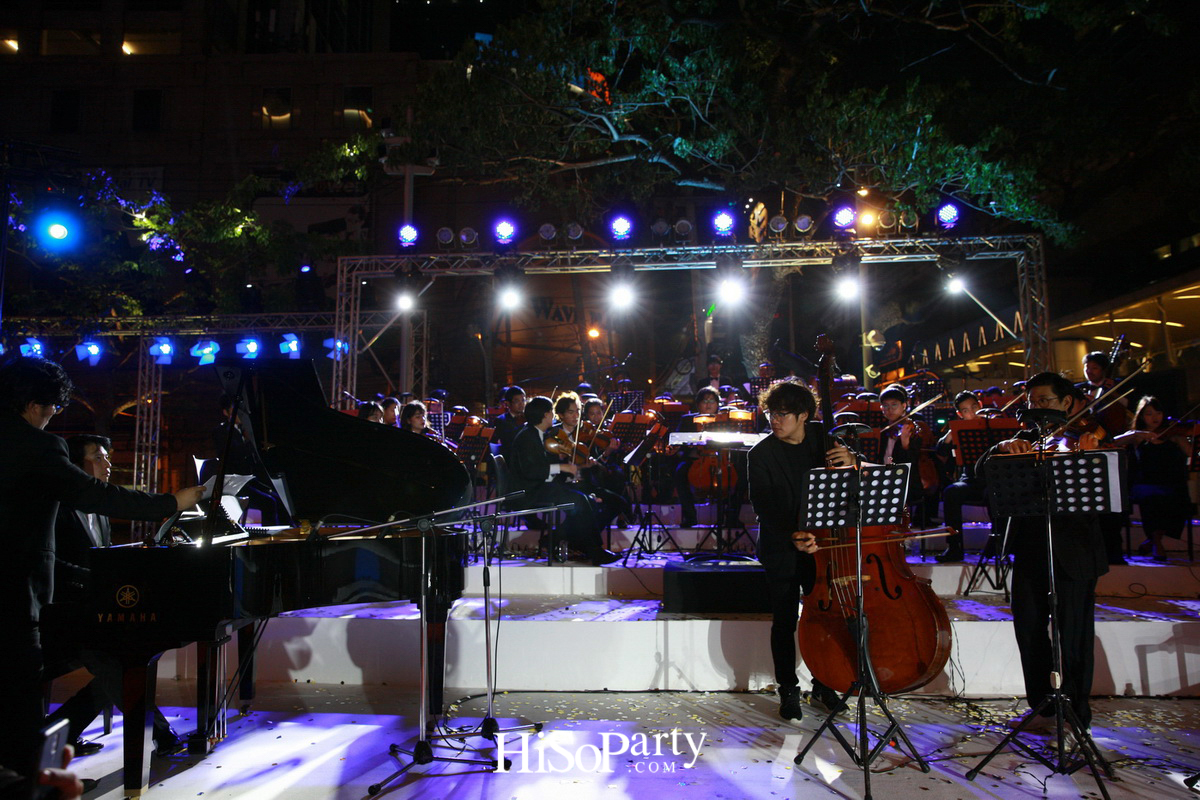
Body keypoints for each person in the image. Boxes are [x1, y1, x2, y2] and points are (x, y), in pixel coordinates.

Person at [0, 356, 204, 781]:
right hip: (14, 598)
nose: (52, 416)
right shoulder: (37, 447)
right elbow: (100, 496)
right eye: (54, 407)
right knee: (21, 696)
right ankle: (31, 782)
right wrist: (173, 503)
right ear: (37, 404)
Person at [978, 371, 1108, 733]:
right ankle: (1043, 702)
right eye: (1032, 403)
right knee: (1030, 628)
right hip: (1031, 548)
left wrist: (1092, 457)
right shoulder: (1021, 441)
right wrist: (1000, 449)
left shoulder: (1085, 437)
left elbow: (1112, 490)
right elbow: (978, 473)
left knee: (1074, 633)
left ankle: (1078, 708)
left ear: (1067, 403)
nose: (1037, 409)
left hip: (1076, 550)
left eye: (1045, 402)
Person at [44, 435, 183, 757]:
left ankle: (60, 727)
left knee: (134, 652)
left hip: (90, 607)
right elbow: (51, 561)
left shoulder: (100, 512)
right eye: (98, 457)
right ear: (76, 466)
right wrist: (93, 579)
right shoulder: (58, 507)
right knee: (114, 658)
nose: (108, 464)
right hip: (60, 611)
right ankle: (161, 734)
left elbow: (103, 560)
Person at [747, 380, 852, 720]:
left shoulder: (824, 438)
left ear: (803, 415)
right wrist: (792, 533)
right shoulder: (759, 454)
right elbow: (764, 506)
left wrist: (851, 460)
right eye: (770, 413)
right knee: (784, 620)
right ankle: (788, 689)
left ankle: (824, 684)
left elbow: (847, 486)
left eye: (782, 414)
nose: (774, 420)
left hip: (824, 544)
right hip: (781, 544)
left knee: (823, 618)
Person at [506, 395, 618, 565]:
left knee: (584, 500)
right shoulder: (527, 437)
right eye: (551, 412)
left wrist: (572, 466)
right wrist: (562, 467)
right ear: (544, 415)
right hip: (529, 492)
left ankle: (574, 544)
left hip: (539, 487)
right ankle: (593, 551)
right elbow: (531, 471)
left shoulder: (537, 434)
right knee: (579, 500)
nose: (553, 416)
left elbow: (542, 468)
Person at [1116, 396, 1191, 561]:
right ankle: (1157, 542)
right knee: (1153, 498)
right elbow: (1113, 442)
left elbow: (1192, 455)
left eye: (1158, 413)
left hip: (1170, 483)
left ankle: (1151, 539)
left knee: (1180, 497)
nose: (1155, 417)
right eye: (1149, 414)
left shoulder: (1173, 434)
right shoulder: (1137, 437)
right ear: (1141, 416)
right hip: (1144, 484)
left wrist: (1180, 437)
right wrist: (1137, 434)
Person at [934, 391, 987, 562]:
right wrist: (953, 431)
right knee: (951, 492)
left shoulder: (993, 424)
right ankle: (954, 547)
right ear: (960, 414)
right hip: (970, 481)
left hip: (994, 481)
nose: (971, 413)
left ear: (980, 405)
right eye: (965, 410)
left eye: (974, 407)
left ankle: (999, 544)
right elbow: (940, 450)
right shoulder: (960, 430)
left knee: (996, 493)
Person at [674, 387, 721, 528]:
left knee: (735, 474)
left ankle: (728, 517)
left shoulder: (723, 419)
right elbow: (677, 441)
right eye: (704, 401)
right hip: (693, 459)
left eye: (712, 401)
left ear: (718, 404)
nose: (708, 404)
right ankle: (689, 516)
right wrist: (687, 444)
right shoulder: (687, 420)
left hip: (719, 459)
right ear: (698, 404)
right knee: (680, 472)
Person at [493, 385, 526, 457]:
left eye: (523, 400)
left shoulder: (527, 418)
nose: (521, 404)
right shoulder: (501, 420)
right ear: (507, 403)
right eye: (517, 401)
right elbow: (509, 441)